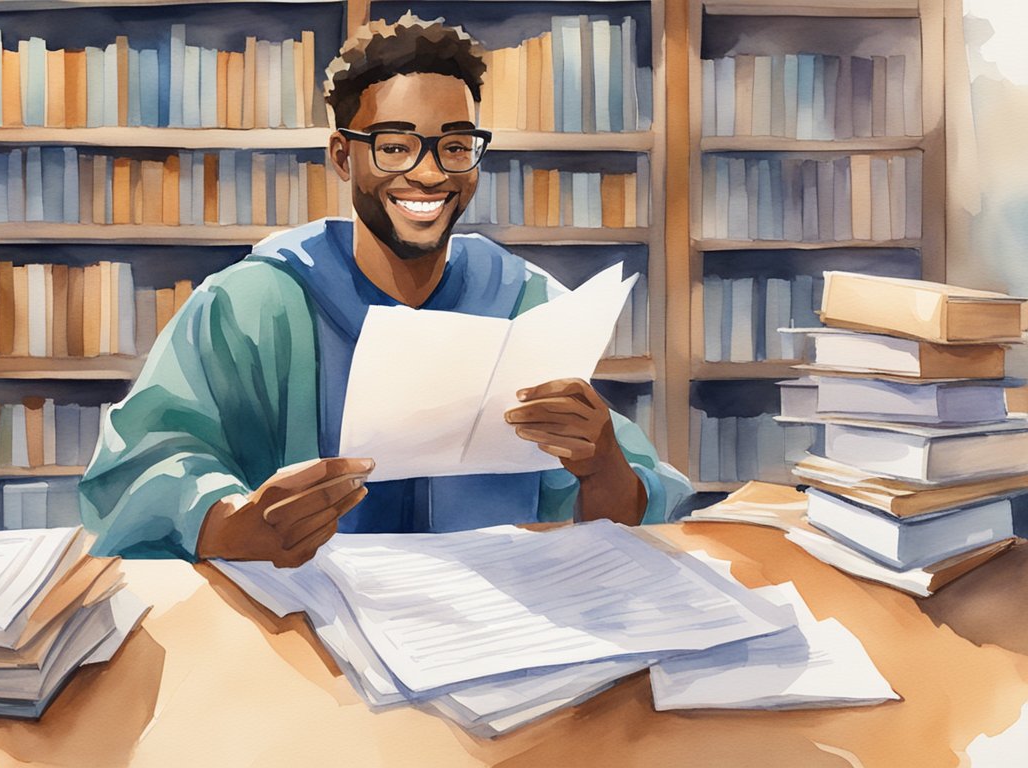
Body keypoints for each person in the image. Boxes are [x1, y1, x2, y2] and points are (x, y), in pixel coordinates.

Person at [79, 14, 692, 566]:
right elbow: (144, 463)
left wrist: (602, 463)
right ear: (344, 157)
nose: (428, 174)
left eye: (455, 146)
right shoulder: (255, 303)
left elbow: (632, 515)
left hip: (499, 628)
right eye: (396, 146)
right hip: (305, 630)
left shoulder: (528, 305)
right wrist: (229, 525)